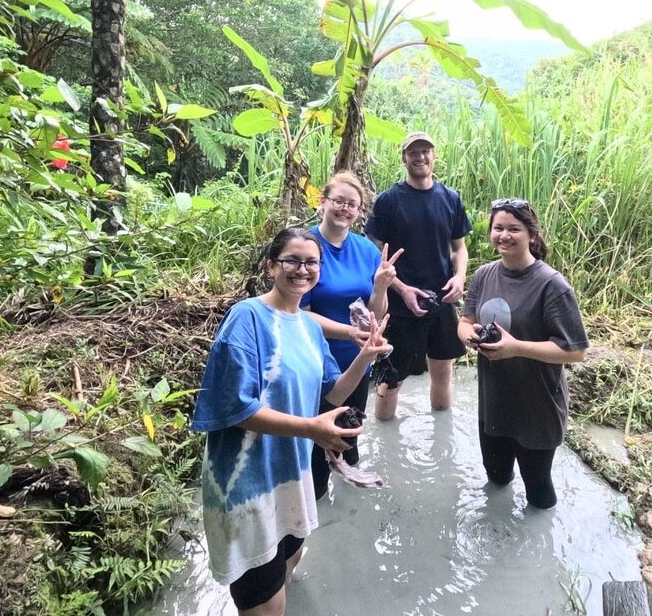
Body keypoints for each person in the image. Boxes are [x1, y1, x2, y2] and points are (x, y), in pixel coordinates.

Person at [190, 227, 391, 615]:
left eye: (311, 262)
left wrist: (365, 355)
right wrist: (313, 430)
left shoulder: (309, 327)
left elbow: (331, 393)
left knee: (290, 562)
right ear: (271, 267)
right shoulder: (246, 318)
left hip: (291, 475)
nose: (302, 270)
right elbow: (238, 407)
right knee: (266, 604)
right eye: (292, 261)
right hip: (247, 484)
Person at [457, 198, 589, 509]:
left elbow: (575, 351)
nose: (504, 235)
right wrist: (470, 337)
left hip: (537, 407)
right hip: (494, 402)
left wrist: (515, 347)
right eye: (498, 228)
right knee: (497, 479)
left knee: (539, 493)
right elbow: (465, 321)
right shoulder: (484, 275)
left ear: (531, 234)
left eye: (513, 229)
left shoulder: (552, 285)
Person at [300, 171, 403, 498]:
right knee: (316, 445)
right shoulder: (307, 248)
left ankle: (349, 508)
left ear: (359, 211)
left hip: (357, 363)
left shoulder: (367, 251)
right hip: (315, 363)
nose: (345, 209)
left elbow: (375, 312)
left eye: (352, 205)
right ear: (323, 203)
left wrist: (381, 286)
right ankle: (315, 513)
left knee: (349, 435)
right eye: (338, 201)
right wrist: (348, 332)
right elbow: (299, 314)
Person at [364, 131, 472, 421]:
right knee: (390, 379)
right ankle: (386, 448)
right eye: (413, 152)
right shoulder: (389, 201)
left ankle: (442, 443)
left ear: (434, 156)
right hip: (400, 309)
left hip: (442, 302)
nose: (420, 157)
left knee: (442, 374)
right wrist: (402, 289)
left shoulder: (450, 198)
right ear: (404, 159)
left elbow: (459, 248)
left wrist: (460, 277)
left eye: (425, 151)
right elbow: (376, 257)